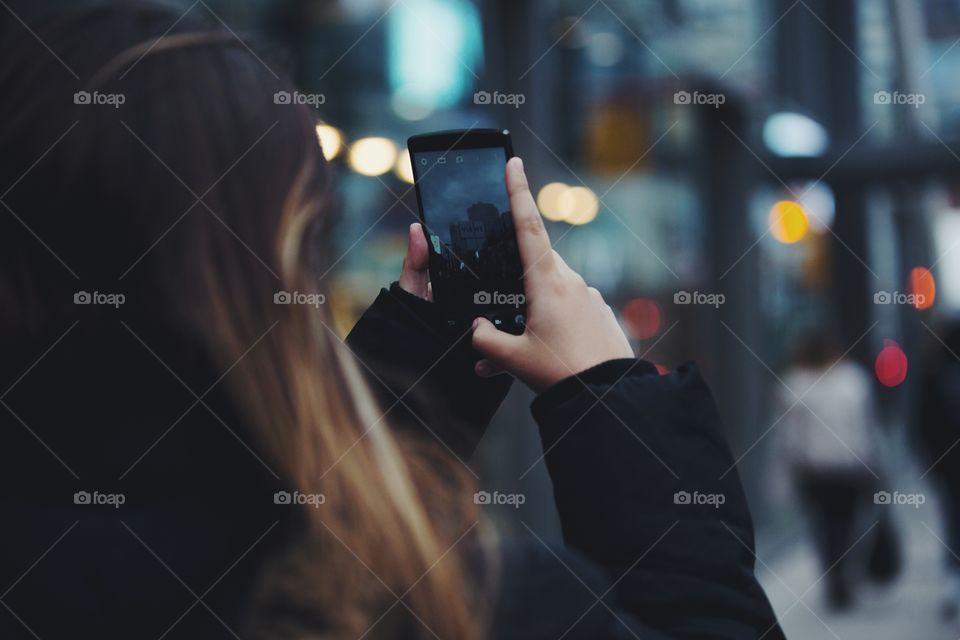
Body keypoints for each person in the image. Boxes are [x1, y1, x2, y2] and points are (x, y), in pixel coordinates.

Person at [0, 3, 784, 638]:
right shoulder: (459, 609)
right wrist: (609, 393)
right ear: (262, 268)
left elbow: (215, 484)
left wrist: (414, 353)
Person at [775, 330, 881, 611]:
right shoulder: (853, 382)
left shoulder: (795, 385)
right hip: (849, 467)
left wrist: (787, 474)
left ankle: (835, 578)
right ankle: (843, 577)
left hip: (814, 471)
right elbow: (865, 428)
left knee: (824, 527)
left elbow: (789, 439)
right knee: (846, 525)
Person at [917, 321, 960, 617]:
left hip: (949, 468)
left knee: (953, 523)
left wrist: (931, 464)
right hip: (947, 466)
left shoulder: (933, 375)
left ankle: (953, 583)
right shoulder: (933, 376)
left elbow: (921, 425)